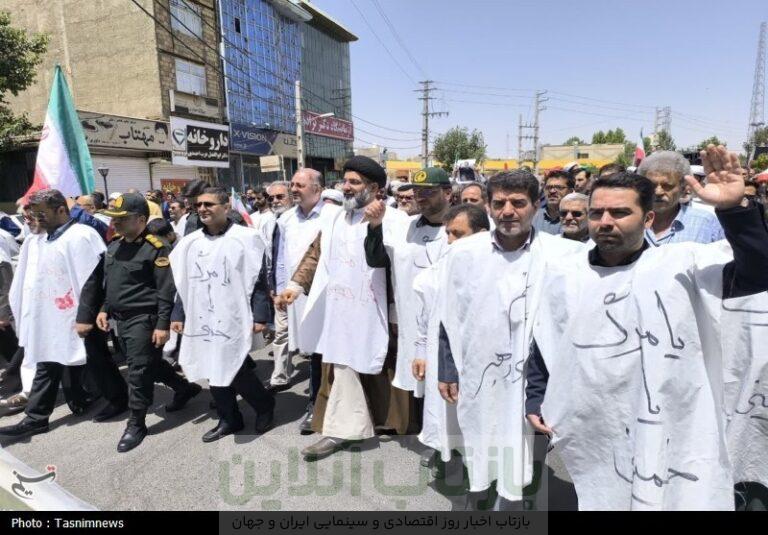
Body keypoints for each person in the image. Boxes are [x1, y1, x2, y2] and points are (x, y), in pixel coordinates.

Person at [526, 146, 768, 510]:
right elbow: (547, 339)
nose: (606, 221)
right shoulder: (564, 274)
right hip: (596, 425)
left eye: (620, 212)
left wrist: (735, 209)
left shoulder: (682, 265)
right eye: (597, 213)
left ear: (648, 218)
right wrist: (535, 396)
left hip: (667, 420)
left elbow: (758, 273)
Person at [436, 170, 584, 509]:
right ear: (487, 206)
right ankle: (483, 495)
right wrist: (448, 369)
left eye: (518, 203)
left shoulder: (563, 255)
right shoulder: (463, 253)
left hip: (535, 378)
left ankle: (520, 501)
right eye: (499, 203)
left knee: (529, 446)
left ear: (536, 205)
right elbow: (448, 315)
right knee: (482, 437)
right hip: (481, 374)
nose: (507, 211)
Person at [278, 156, 412, 459]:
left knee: (380, 364)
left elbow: (393, 266)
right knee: (341, 365)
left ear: (374, 188)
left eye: (354, 182)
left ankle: (384, 422)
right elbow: (316, 254)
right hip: (340, 309)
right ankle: (340, 431)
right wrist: (295, 286)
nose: (346, 187)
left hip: (380, 310)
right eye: (345, 181)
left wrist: (376, 226)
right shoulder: (335, 218)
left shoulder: (396, 220)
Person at [0, 190, 126, 442]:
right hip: (50, 317)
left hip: (80, 316)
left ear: (60, 210)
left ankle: (118, 400)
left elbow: (92, 281)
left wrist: (85, 317)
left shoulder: (81, 236)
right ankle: (36, 419)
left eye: (41, 214)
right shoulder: (41, 239)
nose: (37, 219)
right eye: (34, 214)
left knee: (97, 360)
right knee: (47, 363)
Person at [83, 193, 200, 452]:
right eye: (114, 219)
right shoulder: (114, 246)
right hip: (120, 319)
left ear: (140, 219)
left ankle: (136, 423)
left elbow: (166, 290)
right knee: (148, 364)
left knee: (137, 372)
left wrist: (162, 324)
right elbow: (112, 284)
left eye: (122, 219)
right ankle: (183, 387)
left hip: (144, 319)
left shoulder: (156, 247)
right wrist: (104, 309)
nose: (115, 223)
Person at [170, 187, 274, 442]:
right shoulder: (189, 243)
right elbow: (183, 284)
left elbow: (258, 281)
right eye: (199, 205)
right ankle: (229, 418)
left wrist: (260, 316)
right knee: (210, 366)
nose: (202, 209)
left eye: (209, 204)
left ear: (226, 207)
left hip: (232, 314)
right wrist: (178, 314)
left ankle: (264, 406)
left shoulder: (246, 238)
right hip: (201, 317)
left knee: (236, 367)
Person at [364, 167, 451, 420]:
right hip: (413, 325)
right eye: (418, 192)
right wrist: (375, 227)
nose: (420, 197)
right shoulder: (404, 227)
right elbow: (376, 260)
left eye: (429, 192)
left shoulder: (463, 227)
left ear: (447, 193)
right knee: (421, 381)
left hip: (449, 325)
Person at [411, 204, 490, 469]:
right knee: (446, 412)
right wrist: (421, 350)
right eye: (448, 233)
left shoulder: (497, 268)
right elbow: (427, 313)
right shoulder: (442, 267)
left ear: (481, 234)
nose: (450, 241)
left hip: (483, 359)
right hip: (443, 355)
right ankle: (445, 448)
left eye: (458, 233)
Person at [274, 169, 341, 432]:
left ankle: (333, 407)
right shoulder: (286, 219)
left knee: (333, 352)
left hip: (331, 296)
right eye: (292, 184)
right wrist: (280, 289)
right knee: (312, 351)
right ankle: (315, 406)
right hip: (298, 296)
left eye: (300, 185)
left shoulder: (334, 216)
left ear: (317, 188)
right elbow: (282, 259)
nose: (293, 189)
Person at [638, 151, 724, 245]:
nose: (658, 192)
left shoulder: (705, 222)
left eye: (667, 186)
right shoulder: (631, 220)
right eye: (652, 185)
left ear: (683, 188)